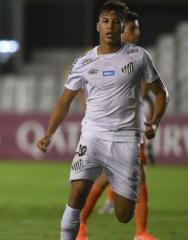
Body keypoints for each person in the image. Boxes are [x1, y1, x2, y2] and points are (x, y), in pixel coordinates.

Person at [36, 1, 168, 240]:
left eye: (116, 22)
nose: (110, 26)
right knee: (76, 193)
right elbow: (64, 101)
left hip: (127, 139)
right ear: (98, 26)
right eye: (106, 21)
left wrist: (155, 122)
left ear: (122, 27)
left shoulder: (139, 57)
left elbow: (161, 93)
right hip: (93, 136)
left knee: (123, 214)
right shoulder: (84, 62)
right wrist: (48, 134)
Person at [76, 10, 160, 240]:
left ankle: (82, 226)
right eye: (134, 28)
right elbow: (81, 87)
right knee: (129, 179)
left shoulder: (138, 58)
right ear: (123, 31)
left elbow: (150, 95)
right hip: (110, 132)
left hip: (128, 131)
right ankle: (139, 232)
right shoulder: (102, 58)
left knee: (106, 179)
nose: (138, 32)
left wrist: (151, 120)